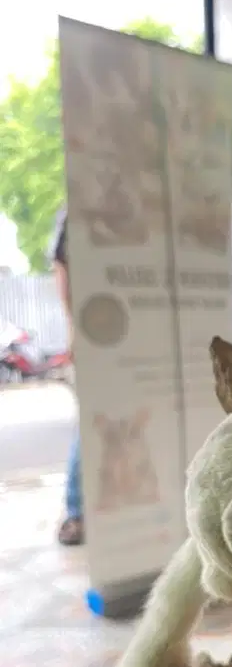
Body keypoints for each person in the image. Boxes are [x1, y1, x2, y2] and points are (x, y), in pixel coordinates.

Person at [49, 207, 84, 546]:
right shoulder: (75, 210)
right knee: (90, 424)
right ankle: (76, 510)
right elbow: (62, 266)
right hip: (92, 335)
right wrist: (74, 327)